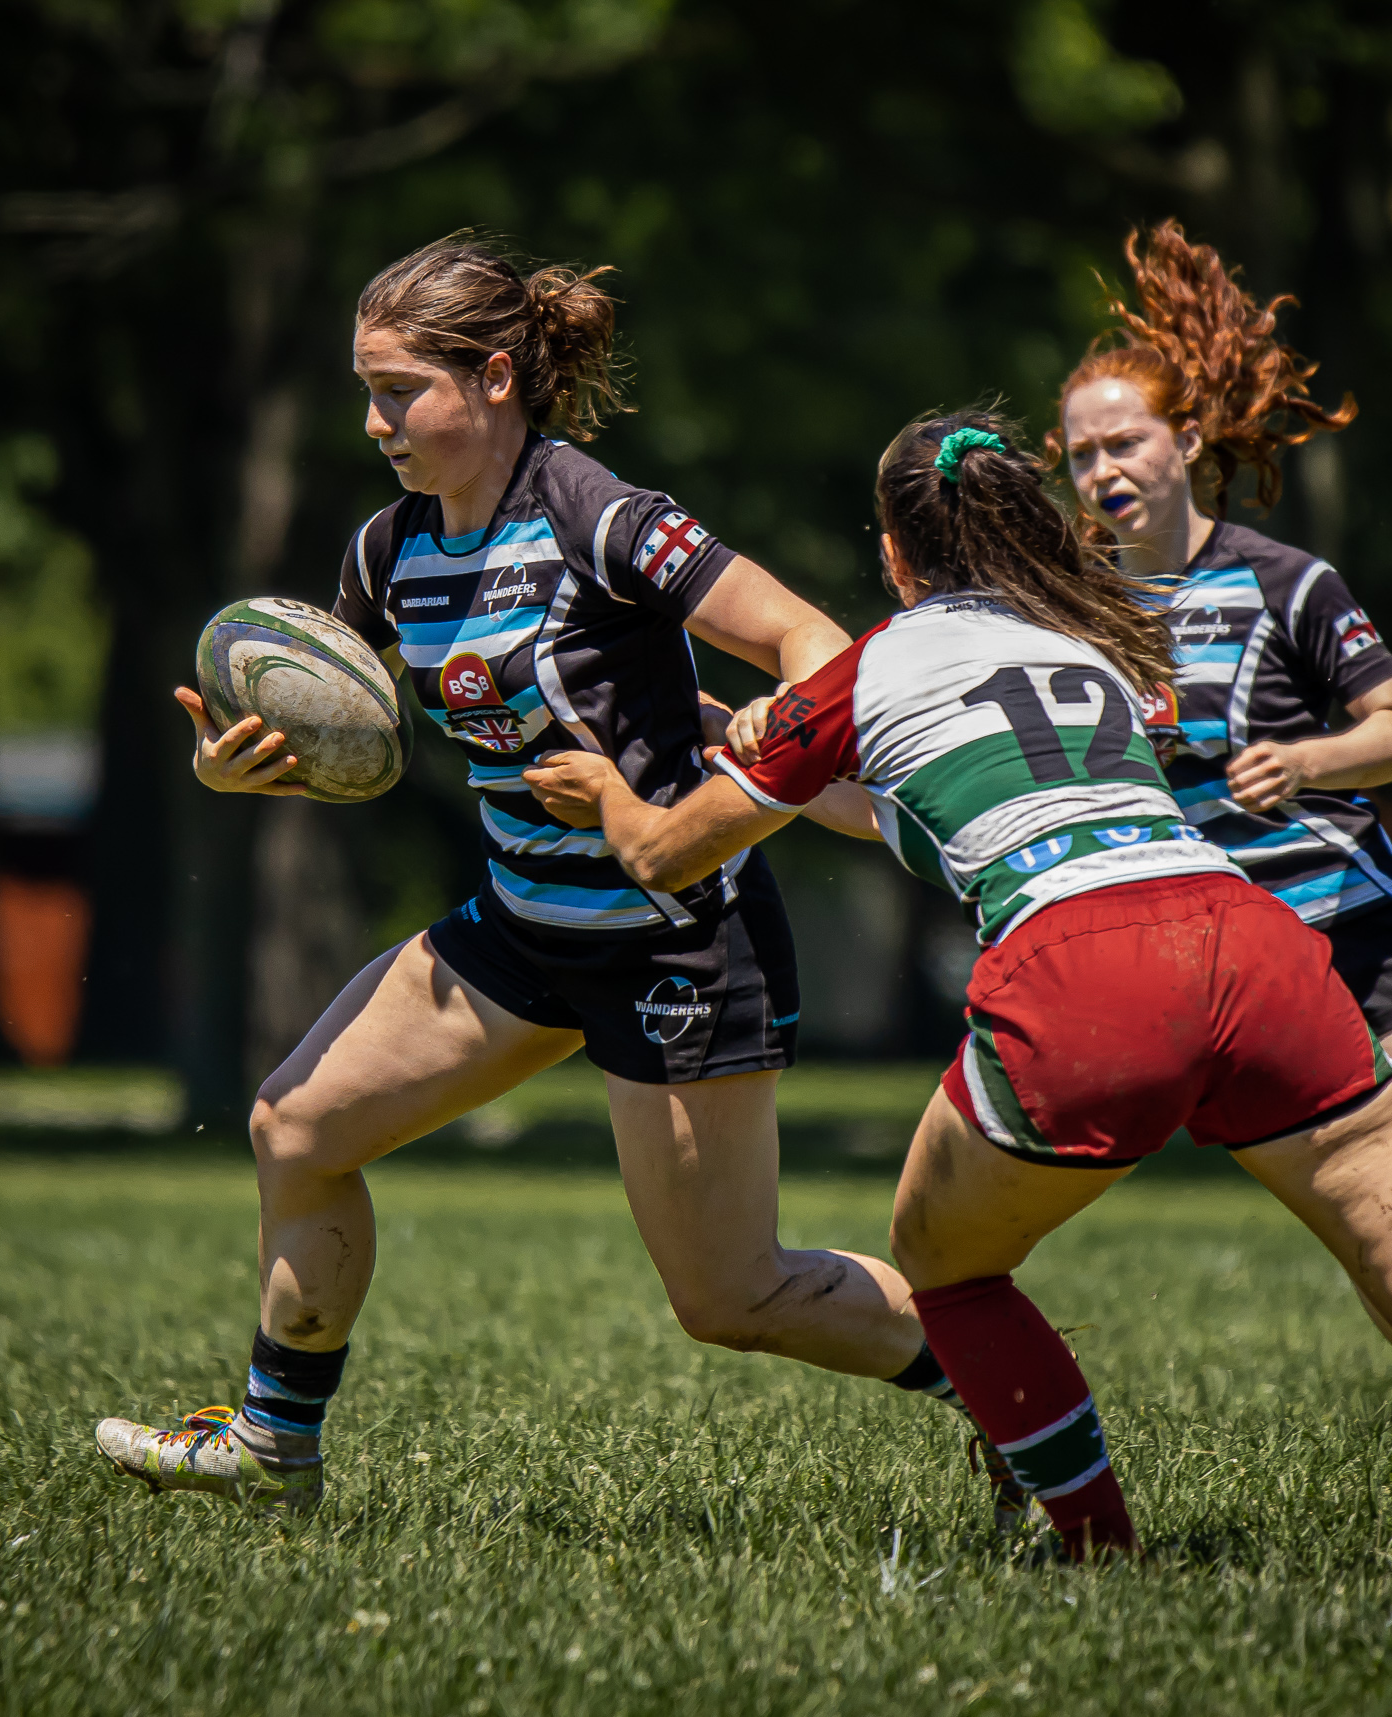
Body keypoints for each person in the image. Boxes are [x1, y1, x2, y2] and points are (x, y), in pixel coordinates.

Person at [524, 408, 1392, 1583]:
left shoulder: (859, 670)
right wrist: (780, 750)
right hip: (1253, 941)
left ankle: (1093, 1549)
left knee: (938, 1260)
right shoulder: (1092, 650)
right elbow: (928, 796)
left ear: (896, 554)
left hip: (1078, 968)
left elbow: (662, 855)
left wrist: (613, 793)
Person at [93, 236, 975, 1513]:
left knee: (728, 1296)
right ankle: (274, 1447)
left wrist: (753, 761)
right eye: (366, 389)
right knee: (297, 1126)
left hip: (674, 933)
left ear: (495, 376)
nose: (373, 420)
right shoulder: (387, 554)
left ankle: (1016, 1392)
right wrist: (251, 771)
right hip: (519, 923)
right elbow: (346, 742)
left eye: (399, 389)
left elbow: (813, 643)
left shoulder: (600, 517)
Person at [1050, 221, 1392, 1436]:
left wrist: (1308, 758)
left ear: (1186, 443)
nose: (1100, 470)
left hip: (1355, 918)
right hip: (1234, 959)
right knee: (1357, 1200)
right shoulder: (1074, 613)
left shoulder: (1286, 582)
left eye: (1122, 441)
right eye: (1077, 455)